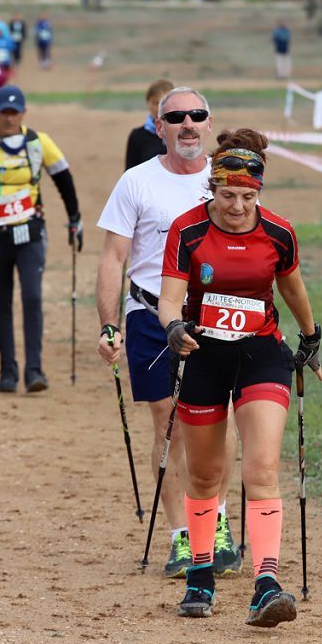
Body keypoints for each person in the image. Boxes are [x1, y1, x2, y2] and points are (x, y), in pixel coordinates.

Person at [159, 128, 322, 626]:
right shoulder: (186, 230)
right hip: (204, 353)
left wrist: (311, 337)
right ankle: (201, 574)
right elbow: (170, 295)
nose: (236, 206)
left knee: (263, 470)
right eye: (227, 195)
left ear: (259, 193)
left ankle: (266, 583)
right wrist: (173, 327)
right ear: (212, 188)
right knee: (206, 474)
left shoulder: (278, 231)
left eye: (247, 196)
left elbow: (291, 286)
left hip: (261, 354)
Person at [95, 87, 241, 579]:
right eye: (175, 116)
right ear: (159, 127)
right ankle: (182, 537)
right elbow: (113, 257)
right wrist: (109, 325)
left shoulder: (227, 182)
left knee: (220, 425)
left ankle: (216, 524)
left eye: (196, 116)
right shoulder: (136, 182)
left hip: (217, 316)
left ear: (208, 122)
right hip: (150, 316)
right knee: (170, 425)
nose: (187, 124)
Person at [0, 86, 81, 392]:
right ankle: (7, 371)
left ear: (24, 113)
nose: (9, 118)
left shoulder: (39, 142)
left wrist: (74, 218)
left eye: (14, 112)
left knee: (31, 297)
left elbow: (63, 178)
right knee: (1, 302)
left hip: (30, 231)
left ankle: (34, 370)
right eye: (3, 112)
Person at [124, 79, 173, 171]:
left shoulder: (181, 134)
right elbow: (129, 172)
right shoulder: (137, 136)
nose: (160, 108)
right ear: (148, 103)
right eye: (156, 103)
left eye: (164, 103)